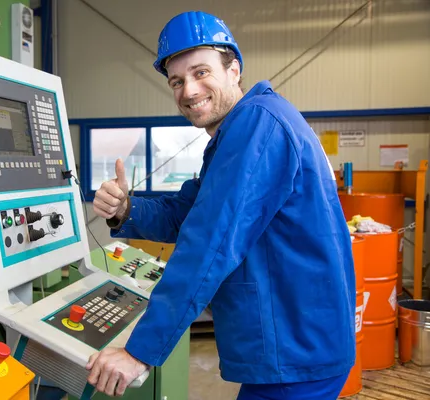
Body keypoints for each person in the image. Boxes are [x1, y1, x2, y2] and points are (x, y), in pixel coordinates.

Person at [87, 10, 355, 399]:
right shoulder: (238, 132)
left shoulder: (258, 124)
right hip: (294, 345)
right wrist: (126, 209)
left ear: (234, 69)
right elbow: (186, 213)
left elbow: (209, 240)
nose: (188, 91)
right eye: (177, 81)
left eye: (201, 72)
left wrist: (140, 351)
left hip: (295, 350)